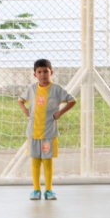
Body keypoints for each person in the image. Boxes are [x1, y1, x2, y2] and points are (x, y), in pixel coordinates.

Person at [18, 58, 76, 200]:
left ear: (52, 72)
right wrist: (25, 110)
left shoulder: (56, 89)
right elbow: (20, 100)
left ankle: (49, 190)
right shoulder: (32, 89)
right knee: (36, 161)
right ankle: (36, 190)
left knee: (47, 161)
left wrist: (60, 113)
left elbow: (72, 100)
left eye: (46, 71)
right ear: (35, 74)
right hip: (33, 133)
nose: (43, 74)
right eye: (39, 72)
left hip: (49, 134)